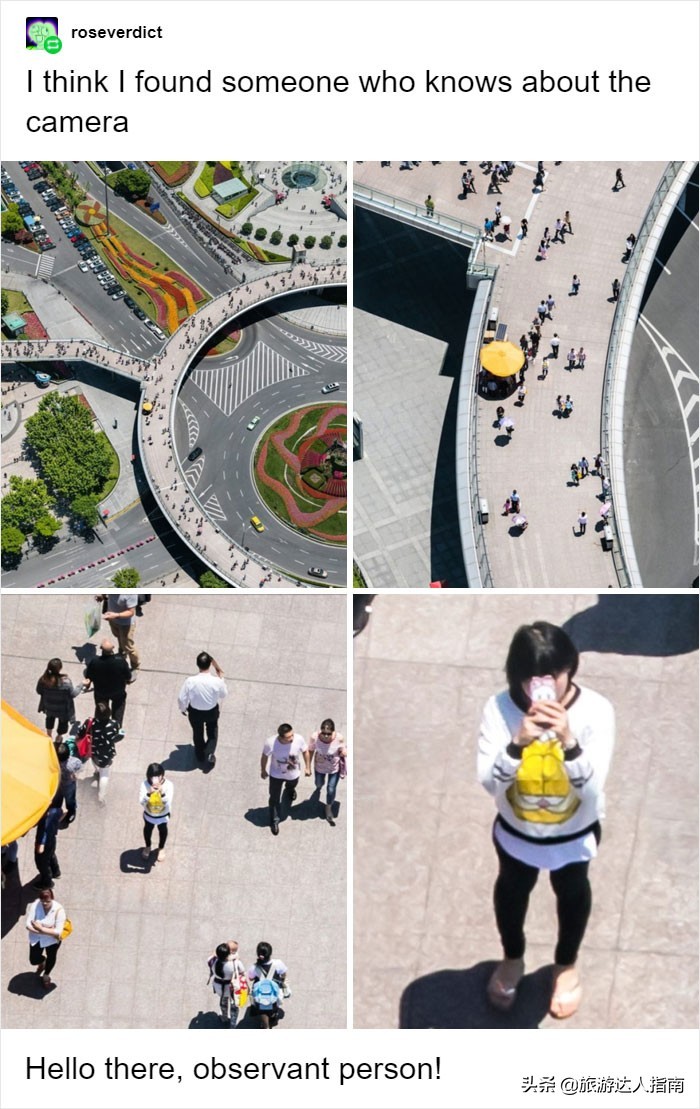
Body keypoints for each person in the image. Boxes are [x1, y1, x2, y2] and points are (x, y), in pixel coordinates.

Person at [477, 621, 615, 1019]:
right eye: (529, 678)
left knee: (572, 894)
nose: (540, 687)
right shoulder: (499, 708)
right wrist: (516, 744)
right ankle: (512, 958)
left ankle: (566, 964)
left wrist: (569, 741)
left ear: (570, 668)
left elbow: (592, 790)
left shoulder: (596, 711)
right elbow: (489, 782)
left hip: (574, 834)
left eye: (551, 675)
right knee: (511, 892)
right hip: (516, 833)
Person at [178, 652, 227, 767]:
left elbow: (181, 698)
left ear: (197, 664)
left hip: (195, 712)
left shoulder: (190, 681)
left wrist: (183, 708)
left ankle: (199, 755)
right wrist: (222, 679)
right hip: (211, 711)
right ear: (210, 665)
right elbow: (223, 694)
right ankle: (209, 753)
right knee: (212, 732)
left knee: (197, 733)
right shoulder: (217, 681)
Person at [260, 724, 310, 836]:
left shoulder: (298, 739)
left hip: (293, 774)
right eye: (288, 737)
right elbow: (264, 756)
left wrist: (307, 767)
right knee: (274, 798)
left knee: (292, 785)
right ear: (281, 737)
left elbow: (305, 751)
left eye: (292, 734)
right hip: (276, 775)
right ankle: (274, 820)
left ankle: (290, 790)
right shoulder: (270, 743)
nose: (292, 738)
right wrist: (263, 770)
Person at [83, 639, 130, 727]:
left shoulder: (95, 662)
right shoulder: (120, 662)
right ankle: (117, 726)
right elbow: (128, 676)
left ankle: (102, 727)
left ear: (101, 648)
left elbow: (88, 677)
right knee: (118, 709)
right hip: (118, 692)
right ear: (113, 648)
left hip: (101, 692)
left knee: (102, 711)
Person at [26, 887, 66, 990]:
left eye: (47, 901)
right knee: (33, 959)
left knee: (51, 957)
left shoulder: (59, 910)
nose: (44, 903)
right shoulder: (36, 904)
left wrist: (40, 928)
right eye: (42, 901)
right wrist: (47, 930)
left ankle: (46, 975)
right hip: (37, 939)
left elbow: (58, 931)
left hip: (52, 941)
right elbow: (28, 925)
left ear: (52, 898)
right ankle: (42, 962)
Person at [309, 718, 347, 825]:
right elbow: (310, 750)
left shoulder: (339, 738)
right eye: (324, 733)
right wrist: (308, 766)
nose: (326, 736)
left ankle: (328, 807)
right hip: (319, 767)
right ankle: (318, 788)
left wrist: (344, 752)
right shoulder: (315, 737)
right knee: (318, 784)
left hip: (334, 768)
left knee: (331, 789)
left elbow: (343, 749)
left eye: (328, 733)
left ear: (333, 731)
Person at [36, 659, 82, 740]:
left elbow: (39, 691)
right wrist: (81, 685)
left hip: (49, 707)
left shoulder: (43, 680)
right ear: (60, 668)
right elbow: (73, 694)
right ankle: (58, 737)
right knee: (63, 724)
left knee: (49, 719)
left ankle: (49, 735)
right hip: (63, 709)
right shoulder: (66, 682)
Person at [85, 701, 120, 805]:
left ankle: (96, 771)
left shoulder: (90, 723)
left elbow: (81, 732)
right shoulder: (114, 724)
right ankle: (101, 797)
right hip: (107, 753)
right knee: (104, 775)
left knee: (95, 762)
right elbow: (117, 735)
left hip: (94, 750)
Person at [248, 941, 289, 1028]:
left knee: (262, 1009)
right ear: (270, 953)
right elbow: (284, 974)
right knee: (274, 1005)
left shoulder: (254, 967)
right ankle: (273, 1016)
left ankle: (265, 1024)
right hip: (274, 993)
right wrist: (282, 980)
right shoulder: (278, 963)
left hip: (260, 995)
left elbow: (250, 978)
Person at [208, 941, 248, 1026]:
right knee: (234, 1007)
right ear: (228, 954)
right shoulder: (235, 963)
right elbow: (243, 972)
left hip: (219, 988)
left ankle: (224, 1018)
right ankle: (232, 1024)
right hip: (233, 989)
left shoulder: (212, 961)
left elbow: (212, 956)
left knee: (223, 1002)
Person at [139, 763, 173, 862]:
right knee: (147, 830)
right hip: (149, 815)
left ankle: (161, 848)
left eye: (158, 776)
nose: (155, 779)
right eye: (152, 776)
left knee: (163, 830)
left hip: (163, 815)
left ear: (162, 775)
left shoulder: (169, 785)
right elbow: (142, 802)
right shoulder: (144, 784)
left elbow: (168, 803)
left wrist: (162, 793)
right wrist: (148, 794)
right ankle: (148, 846)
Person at [101, 594, 140, 674]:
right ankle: (122, 653)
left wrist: (116, 615)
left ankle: (135, 666)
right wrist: (102, 596)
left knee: (128, 647)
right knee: (118, 636)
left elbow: (131, 612)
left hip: (126, 624)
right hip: (113, 620)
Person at [33, 787, 63, 889]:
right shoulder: (56, 810)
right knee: (51, 855)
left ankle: (47, 882)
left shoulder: (46, 816)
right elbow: (64, 812)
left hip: (44, 842)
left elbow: (43, 832)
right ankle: (56, 872)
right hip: (52, 838)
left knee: (42, 863)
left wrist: (39, 846)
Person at [55, 742, 82, 825]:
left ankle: (56, 811)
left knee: (57, 799)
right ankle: (71, 812)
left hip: (57, 784)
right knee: (70, 800)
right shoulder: (72, 763)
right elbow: (79, 764)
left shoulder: (54, 763)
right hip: (69, 785)